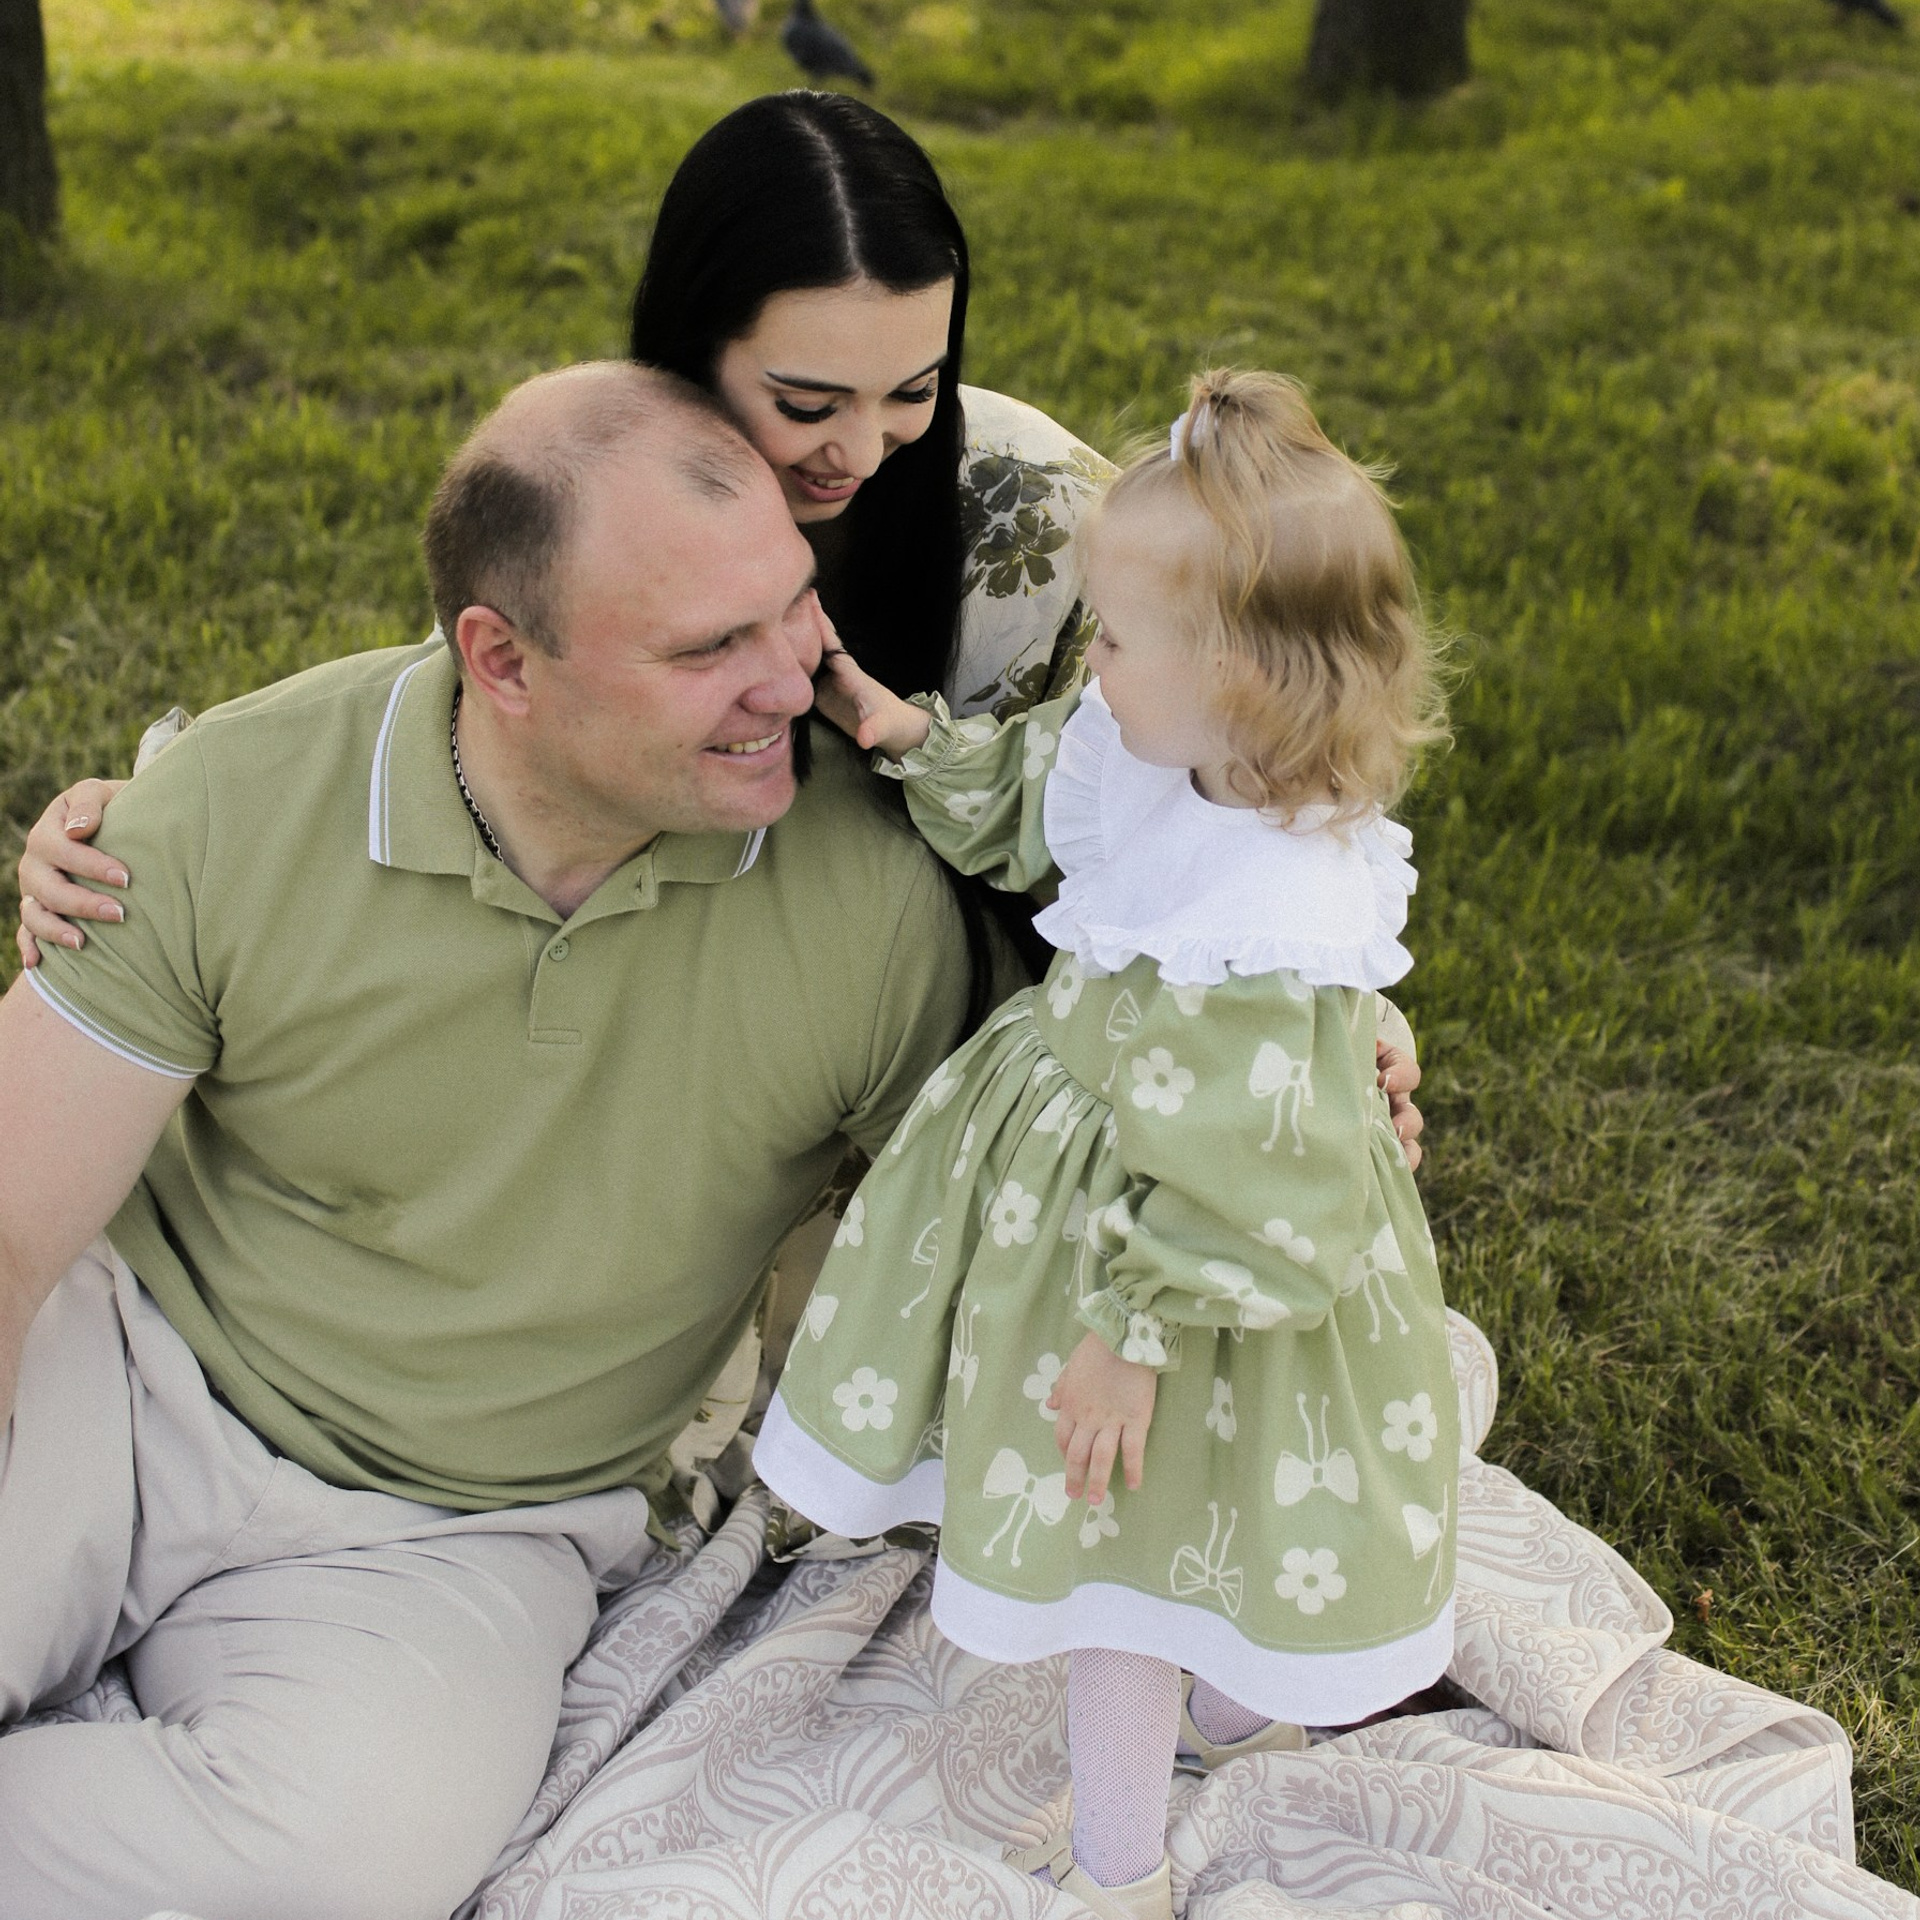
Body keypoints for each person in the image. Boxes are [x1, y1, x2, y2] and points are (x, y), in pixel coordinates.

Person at [0, 360, 979, 1918]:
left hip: (467, 1528)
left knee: (339, 1869)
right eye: (709, 647)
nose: (791, 684)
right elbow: (9, 1229)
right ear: (503, 661)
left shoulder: (871, 909)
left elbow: (1031, 1200)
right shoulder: (239, 799)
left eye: (794, 607)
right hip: (131, 1373)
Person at [751, 370, 1458, 1920]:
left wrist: (1130, 1338)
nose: (1095, 663)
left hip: (1181, 1268)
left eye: (1120, 639)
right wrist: (899, 729)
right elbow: (1038, 812)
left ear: (1240, 680)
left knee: (1119, 1567)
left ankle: (1114, 1870)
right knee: (1187, 1525)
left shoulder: (1270, 907)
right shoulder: (1158, 751)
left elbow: (1248, 1183)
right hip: (1110, 1201)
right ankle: (1234, 1719)